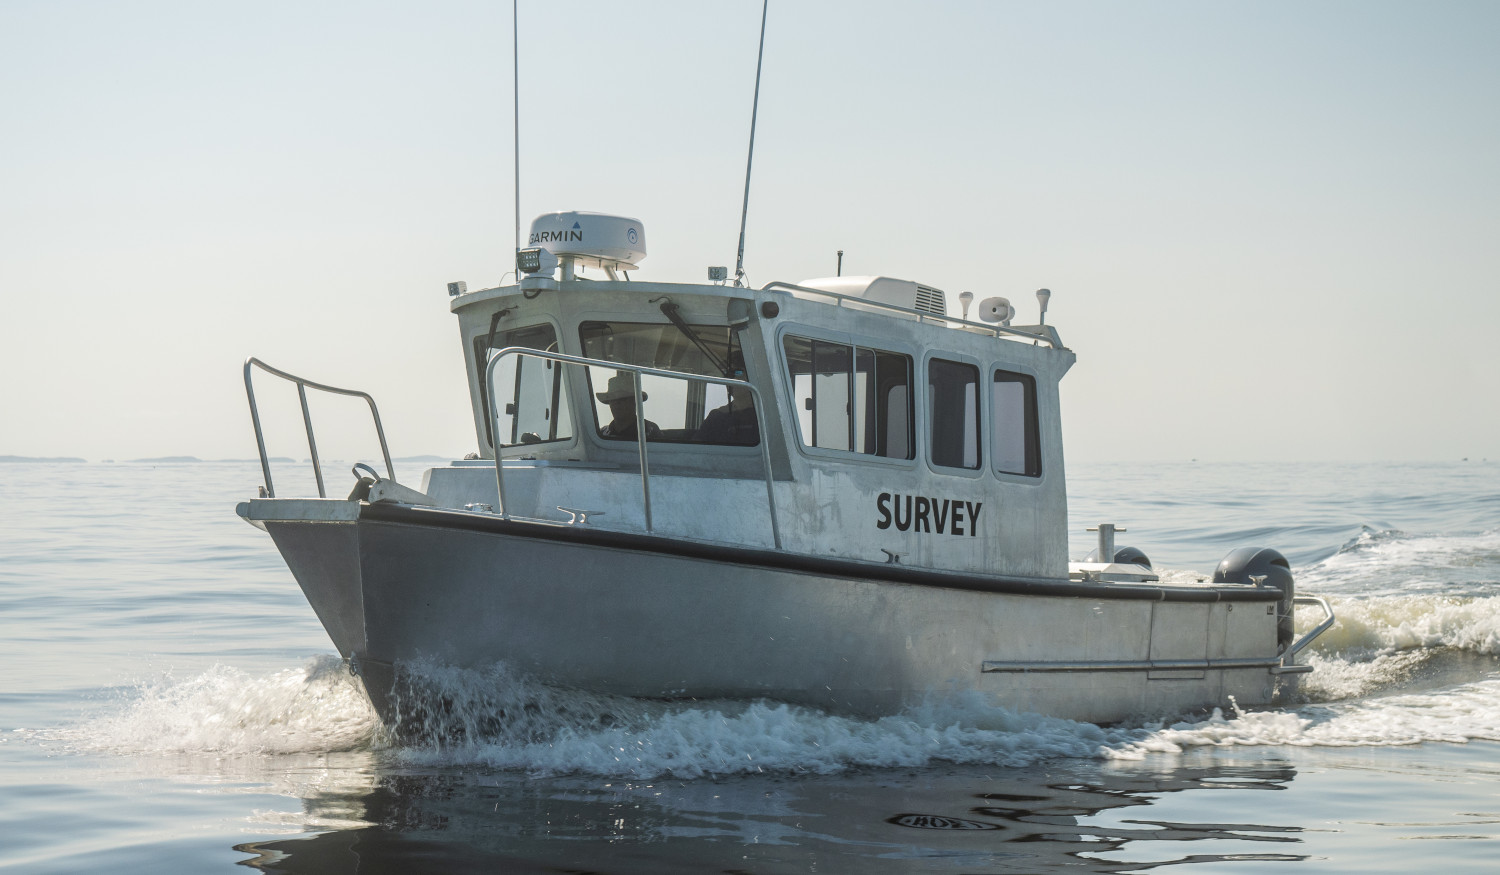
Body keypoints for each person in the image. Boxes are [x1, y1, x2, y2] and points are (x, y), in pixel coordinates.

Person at [696, 365, 759, 446]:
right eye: (729, 375)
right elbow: (697, 446)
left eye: (738, 373)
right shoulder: (716, 416)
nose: (733, 379)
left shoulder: (763, 415)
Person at [596, 373, 662, 441]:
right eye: (612, 399)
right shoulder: (602, 433)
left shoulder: (649, 430)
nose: (617, 403)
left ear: (634, 401)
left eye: (622, 398)